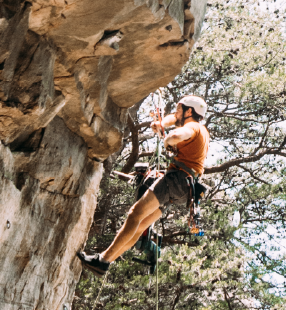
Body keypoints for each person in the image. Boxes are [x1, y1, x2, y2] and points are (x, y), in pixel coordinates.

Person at [76, 94, 210, 276]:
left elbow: (177, 134)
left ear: (189, 112)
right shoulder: (201, 129)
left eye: (179, 109)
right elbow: (173, 120)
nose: (176, 113)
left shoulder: (192, 127)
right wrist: (163, 124)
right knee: (139, 226)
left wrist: (169, 140)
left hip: (176, 179)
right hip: (185, 189)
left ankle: (103, 259)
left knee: (134, 214)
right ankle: (105, 262)